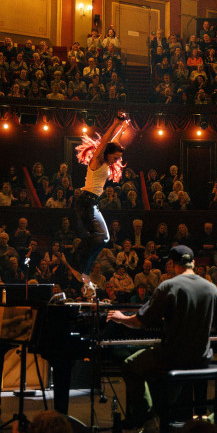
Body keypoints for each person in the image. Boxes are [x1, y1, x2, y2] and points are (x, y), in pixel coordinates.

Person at [107, 245, 217, 433]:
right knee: (160, 371)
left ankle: (150, 421)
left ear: (172, 264)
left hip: (173, 356)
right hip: (202, 356)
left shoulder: (169, 286)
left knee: (130, 365)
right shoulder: (212, 288)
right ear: (193, 262)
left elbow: (141, 322)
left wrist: (120, 317)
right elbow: (216, 326)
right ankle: (164, 414)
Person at [72, 113, 131, 296]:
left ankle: (83, 270)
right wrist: (115, 122)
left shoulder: (106, 158)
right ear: (107, 153)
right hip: (86, 202)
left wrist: (123, 128)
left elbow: (113, 142)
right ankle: (76, 262)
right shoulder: (97, 159)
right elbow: (106, 141)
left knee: (103, 238)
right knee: (100, 236)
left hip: (92, 202)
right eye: (115, 157)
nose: (117, 160)